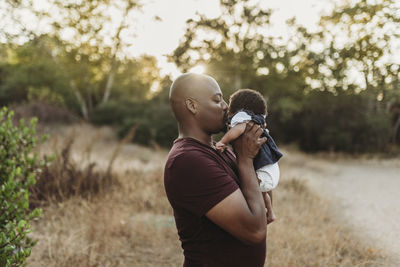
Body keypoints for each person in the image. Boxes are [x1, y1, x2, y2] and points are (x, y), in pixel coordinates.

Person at [164, 73, 268, 267]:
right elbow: (255, 231)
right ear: (192, 106)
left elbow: (263, 213)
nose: (226, 107)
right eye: (217, 100)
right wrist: (245, 160)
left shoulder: (222, 151)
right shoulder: (187, 161)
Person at [215, 89, 283, 224]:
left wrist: (223, 142)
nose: (226, 108)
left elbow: (237, 129)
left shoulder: (243, 118)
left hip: (264, 172)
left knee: (250, 187)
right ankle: (270, 213)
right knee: (261, 192)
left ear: (239, 109)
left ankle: (265, 213)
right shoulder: (258, 121)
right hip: (270, 170)